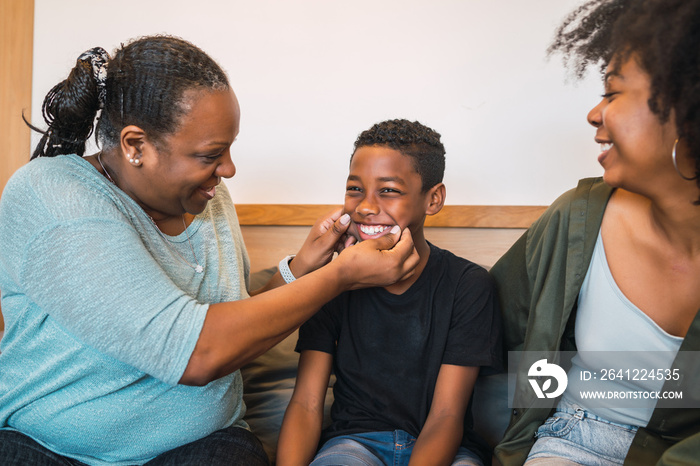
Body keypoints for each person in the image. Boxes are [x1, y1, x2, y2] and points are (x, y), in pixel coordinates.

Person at [0, 36, 421, 466]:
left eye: (230, 148)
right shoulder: (55, 198)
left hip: (202, 447)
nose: (230, 169)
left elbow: (233, 323)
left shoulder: (208, 199)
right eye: (211, 154)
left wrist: (301, 268)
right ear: (135, 145)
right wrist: (340, 276)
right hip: (50, 450)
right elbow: (197, 352)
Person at [490, 0, 700, 464]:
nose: (593, 114)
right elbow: (479, 318)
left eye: (612, 93)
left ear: (686, 112)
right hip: (571, 440)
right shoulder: (574, 220)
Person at [276, 119, 503, 466]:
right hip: (353, 445)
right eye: (355, 189)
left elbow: (446, 416)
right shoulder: (330, 281)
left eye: (389, 190)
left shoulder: (469, 285)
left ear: (433, 199)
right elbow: (306, 403)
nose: (365, 206)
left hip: (446, 450)